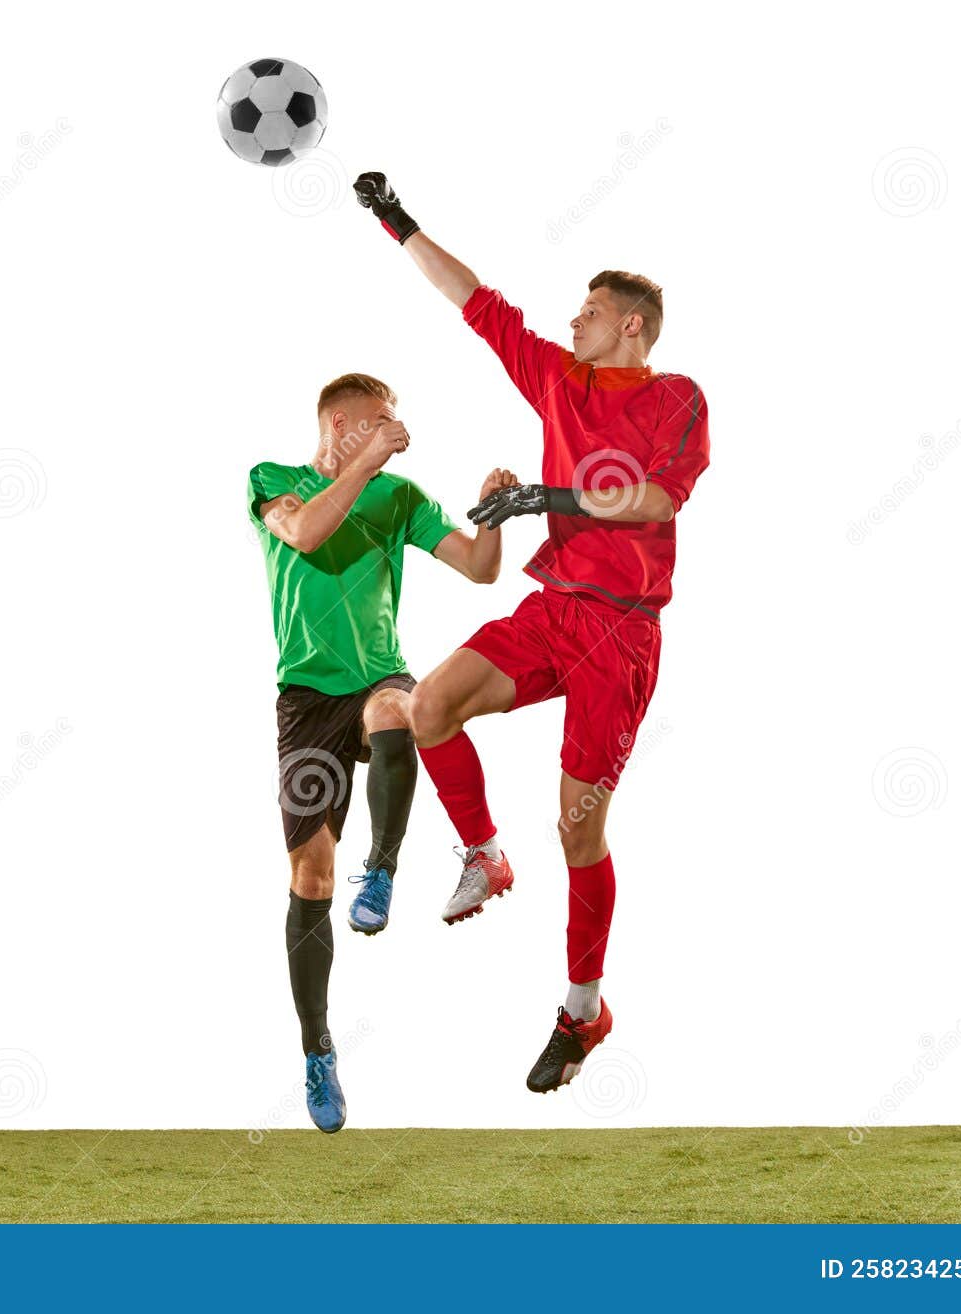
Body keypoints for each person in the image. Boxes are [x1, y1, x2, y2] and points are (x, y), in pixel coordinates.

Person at [353, 173, 711, 1093]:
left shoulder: (676, 398)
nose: (576, 319)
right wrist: (398, 222)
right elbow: (474, 301)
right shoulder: (557, 377)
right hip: (554, 611)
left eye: (591, 311)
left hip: (624, 632)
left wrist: (547, 496)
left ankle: (582, 1013)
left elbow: (658, 498)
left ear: (632, 324)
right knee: (426, 707)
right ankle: (483, 852)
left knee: (579, 830)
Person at [249, 370, 516, 1131]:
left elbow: (479, 566)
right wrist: (364, 465)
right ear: (338, 428)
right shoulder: (276, 481)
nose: (395, 432)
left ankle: (386, 871)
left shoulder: (399, 496)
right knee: (309, 875)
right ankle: (317, 1050)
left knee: (402, 707)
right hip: (306, 699)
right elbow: (304, 534)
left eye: (395, 421)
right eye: (379, 422)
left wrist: (494, 516)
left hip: (376, 676)